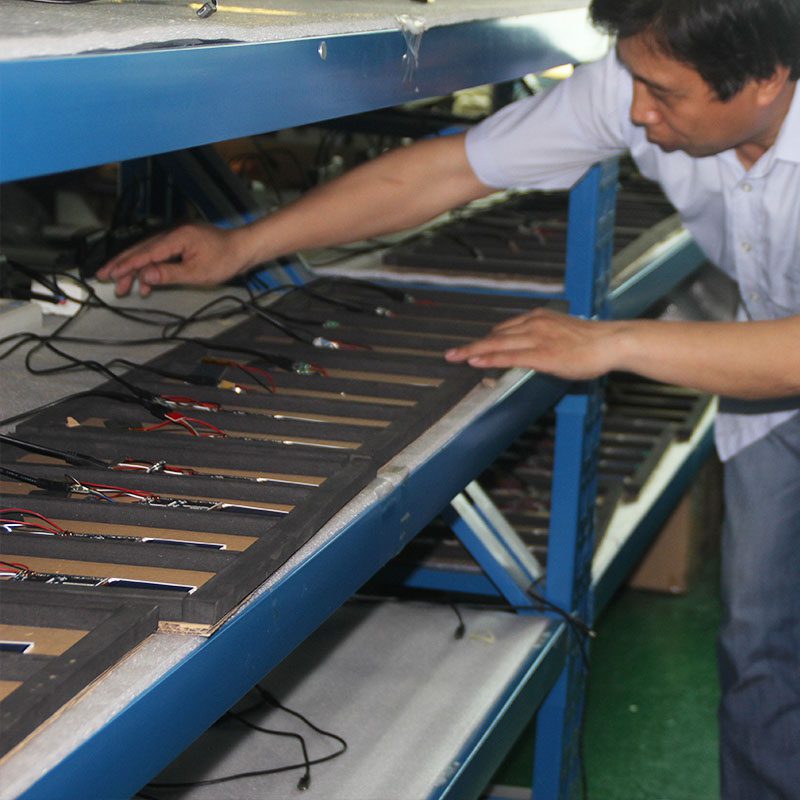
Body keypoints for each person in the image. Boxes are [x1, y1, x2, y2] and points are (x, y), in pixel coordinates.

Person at [99, 0, 800, 795]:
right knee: (763, 651)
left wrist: (610, 341)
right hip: (763, 384)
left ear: (769, 79)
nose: (639, 111)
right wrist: (245, 243)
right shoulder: (638, 83)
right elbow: (447, 168)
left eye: (664, 94)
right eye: (638, 82)